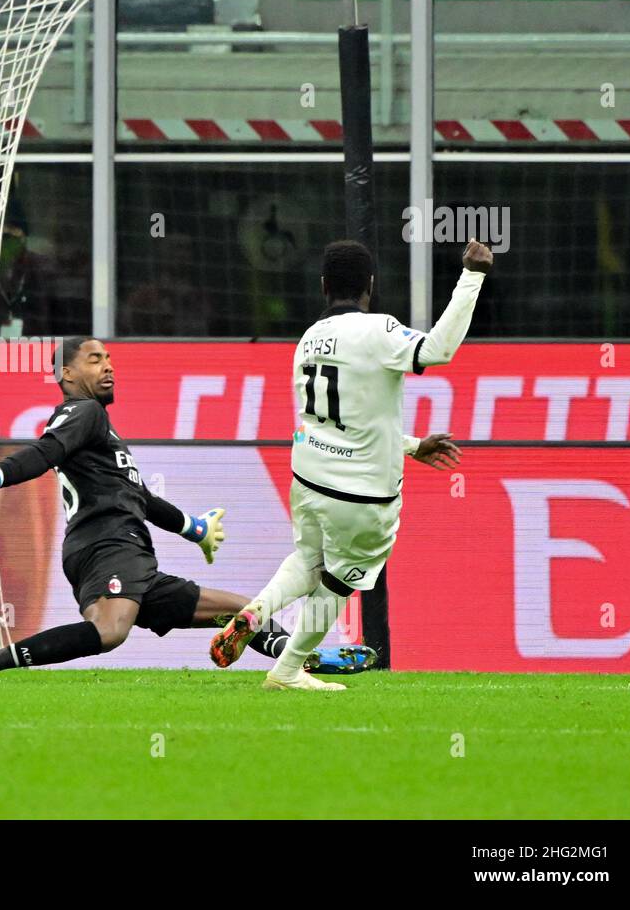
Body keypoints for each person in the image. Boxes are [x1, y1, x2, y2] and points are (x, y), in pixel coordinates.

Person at [0, 335, 373, 684]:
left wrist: (194, 528)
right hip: (108, 544)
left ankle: (297, 659)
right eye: (94, 359)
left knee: (240, 610)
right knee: (110, 632)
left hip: (126, 553)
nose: (108, 366)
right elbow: (44, 452)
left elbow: (139, 497)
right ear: (67, 374)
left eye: (109, 358)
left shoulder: (103, 433)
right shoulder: (82, 414)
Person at [209, 239, 494, 690]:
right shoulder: (379, 330)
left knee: (308, 558)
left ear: (323, 286)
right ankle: (286, 670)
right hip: (362, 495)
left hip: (309, 479)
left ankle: (257, 610)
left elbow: (337, 421)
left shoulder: (307, 340)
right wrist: (472, 275)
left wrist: (412, 443)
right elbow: (437, 350)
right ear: (371, 286)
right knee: (341, 581)